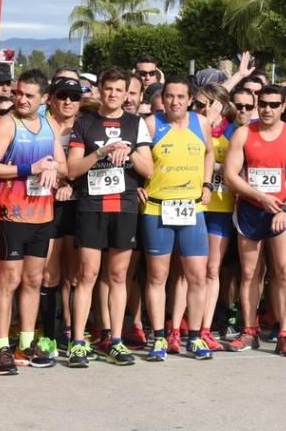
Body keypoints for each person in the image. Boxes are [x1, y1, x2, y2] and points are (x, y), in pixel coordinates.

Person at [66, 68, 153, 368]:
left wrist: (128, 154)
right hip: (91, 206)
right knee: (87, 275)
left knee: (118, 276)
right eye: (108, 89)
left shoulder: (136, 123)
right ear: (100, 90)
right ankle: (78, 342)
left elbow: (149, 170)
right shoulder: (85, 122)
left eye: (120, 90)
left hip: (125, 206)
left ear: (127, 92)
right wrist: (101, 151)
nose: (113, 94)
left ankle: (115, 340)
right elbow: (73, 169)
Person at [223, 84, 286, 357]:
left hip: (283, 211)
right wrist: (259, 197)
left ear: (283, 107)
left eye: (274, 105)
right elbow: (231, 175)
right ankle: (250, 330)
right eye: (263, 104)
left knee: (284, 271)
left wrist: (285, 208)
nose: (267, 109)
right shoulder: (242, 134)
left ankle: (285, 333)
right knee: (250, 273)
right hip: (251, 209)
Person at [0, 70, 67, 374]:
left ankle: (25, 342)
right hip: (12, 214)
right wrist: (30, 168)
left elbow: (63, 165)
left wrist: (52, 168)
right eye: (18, 93)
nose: (21, 99)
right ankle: (1, 347)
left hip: (42, 215)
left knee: (34, 280)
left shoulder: (50, 124)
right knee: (8, 280)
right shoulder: (8, 123)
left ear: (44, 99)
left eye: (28, 95)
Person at [140, 77, 215, 362]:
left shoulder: (201, 123)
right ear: (163, 98)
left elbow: (209, 153)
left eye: (181, 97)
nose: (175, 102)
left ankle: (194, 337)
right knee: (158, 276)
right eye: (170, 96)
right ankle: (159, 337)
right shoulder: (150, 124)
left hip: (192, 209)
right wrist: (137, 184)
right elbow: (138, 158)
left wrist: (207, 184)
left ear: (189, 99)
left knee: (197, 276)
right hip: (157, 209)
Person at [194, 84, 237, 350]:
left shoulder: (235, 132)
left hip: (221, 208)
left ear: (218, 105)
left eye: (201, 104)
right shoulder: (192, 127)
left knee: (211, 269)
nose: (195, 109)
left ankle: (206, 327)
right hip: (195, 206)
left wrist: (218, 168)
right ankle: (188, 324)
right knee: (191, 271)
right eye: (195, 104)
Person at [43, 77, 82, 358]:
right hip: (46, 204)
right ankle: (47, 331)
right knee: (49, 273)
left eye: (73, 96)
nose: (67, 101)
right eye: (62, 95)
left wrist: (71, 182)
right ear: (51, 98)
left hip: (80, 204)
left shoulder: (87, 124)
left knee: (74, 274)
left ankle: (71, 328)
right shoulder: (41, 124)